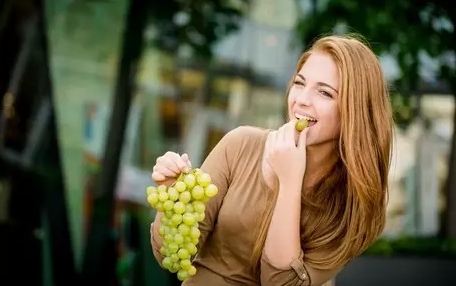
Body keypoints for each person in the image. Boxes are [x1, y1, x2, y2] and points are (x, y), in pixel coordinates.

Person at [149, 34, 394, 286]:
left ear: (355, 110)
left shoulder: (354, 204)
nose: (302, 99)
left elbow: (281, 283)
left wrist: (289, 182)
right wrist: (171, 194)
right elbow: (171, 255)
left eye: (324, 92)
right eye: (300, 83)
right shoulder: (240, 145)